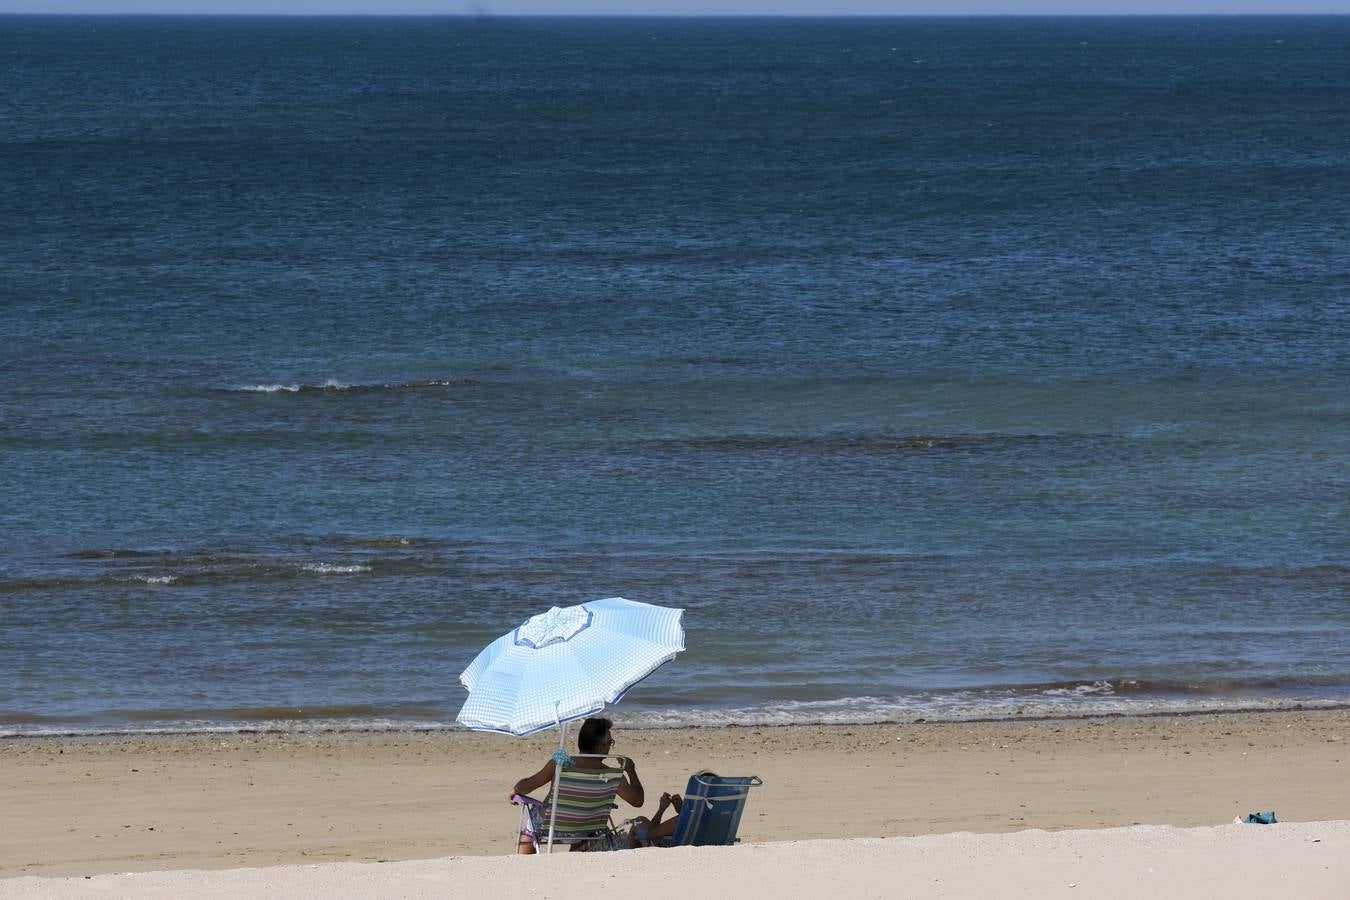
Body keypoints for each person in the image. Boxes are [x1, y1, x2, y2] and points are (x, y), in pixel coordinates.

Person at [509, 716, 644, 854]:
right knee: (592, 828)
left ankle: (524, 862)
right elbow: (638, 801)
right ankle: (576, 852)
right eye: (610, 742)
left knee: (530, 827)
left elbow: (527, 786)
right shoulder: (612, 776)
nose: (611, 745)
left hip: (549, 827)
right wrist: (631, 770)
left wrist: (516, 788)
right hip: (587, 829)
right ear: (600, 747)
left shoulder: (559, 765)